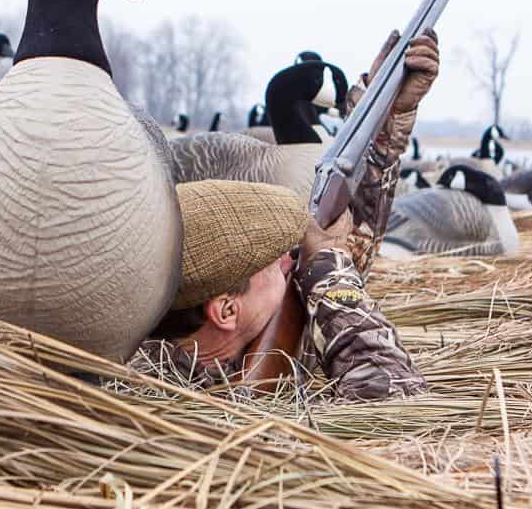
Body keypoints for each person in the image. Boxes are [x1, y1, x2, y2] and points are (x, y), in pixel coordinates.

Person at [135, 29, 438, 400]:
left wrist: (383, 120)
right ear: (226, 309)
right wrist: (330, 271)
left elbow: (341, 242)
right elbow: (393, 403)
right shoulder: (220, 401)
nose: (288, 259)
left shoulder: (179, 353)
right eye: (273, 254)